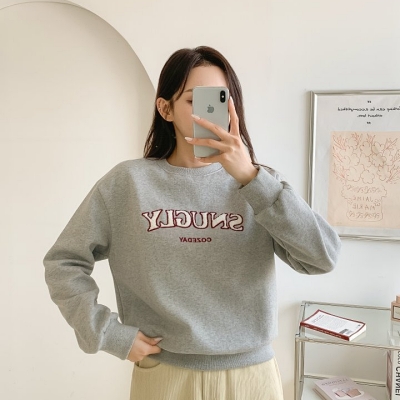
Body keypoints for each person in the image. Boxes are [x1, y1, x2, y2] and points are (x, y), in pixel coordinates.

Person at [44, 46, 341, 400]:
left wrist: (251, 178)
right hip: (165, 377)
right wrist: (107, 334)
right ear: (165, 108)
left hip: (252, 378)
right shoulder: (127, 184)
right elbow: (63, 262)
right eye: (194, 99)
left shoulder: (261, 185)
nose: (210, 111)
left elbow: (323, 257)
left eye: (220, 98)